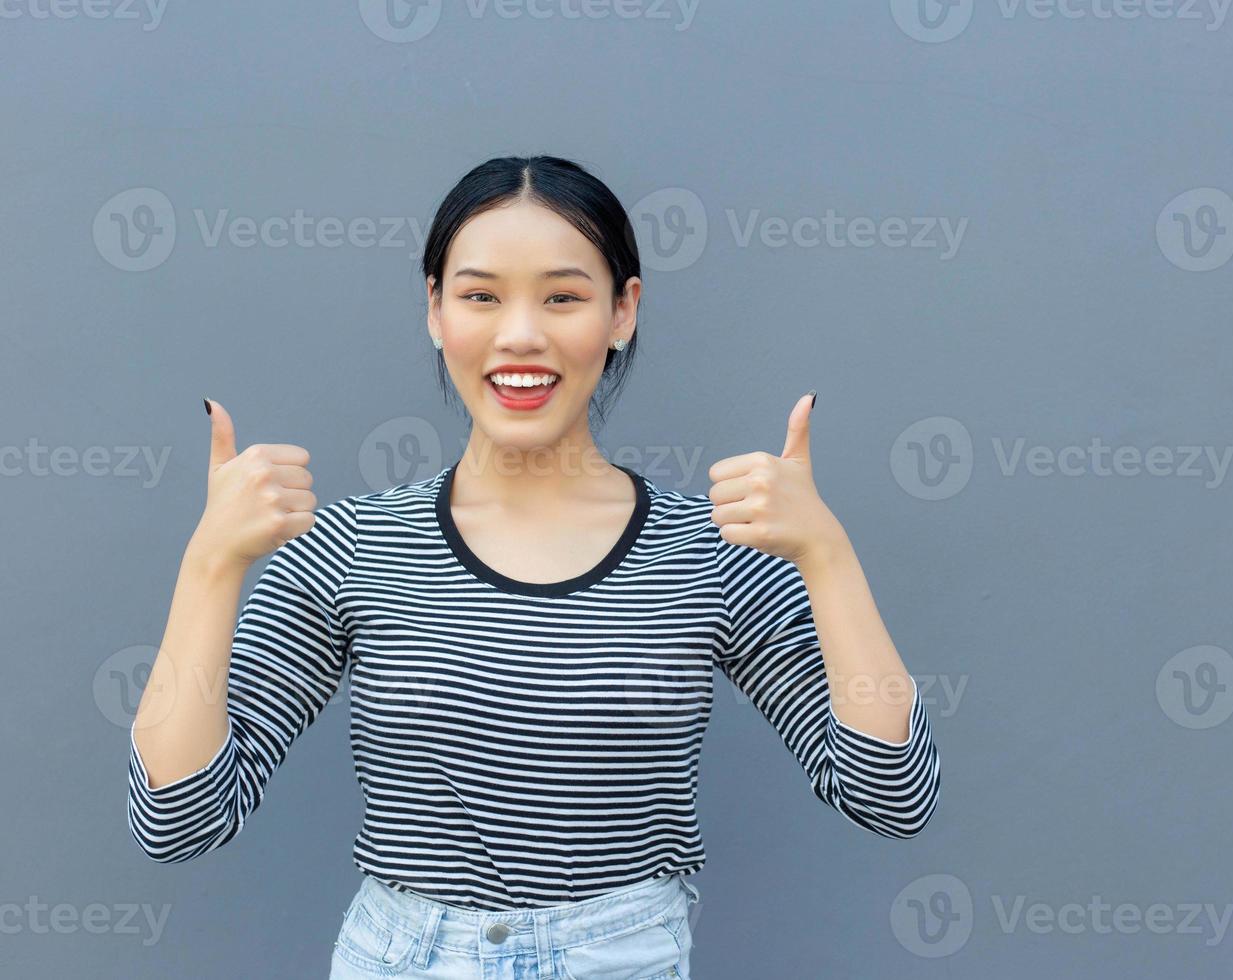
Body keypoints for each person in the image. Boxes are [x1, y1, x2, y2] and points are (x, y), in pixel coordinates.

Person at [126, 155, 941, 979]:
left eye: (563, 296)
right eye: (480, 295)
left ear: (623, 311)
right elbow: (178, 820)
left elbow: (893, 799)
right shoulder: (354, 547)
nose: (520, 334)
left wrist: (828, 557)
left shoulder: (715, 551)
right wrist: (209, 566)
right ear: (435, 311)